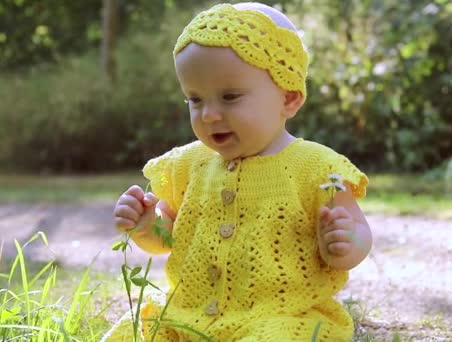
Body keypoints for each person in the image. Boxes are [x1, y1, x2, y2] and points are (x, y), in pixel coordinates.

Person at [105, 2, 372, 341]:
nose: (209, 114)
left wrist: (346, 243)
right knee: (137, 329)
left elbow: (361, 233)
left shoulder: (316, 167)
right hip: (190, 315)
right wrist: (146, 226)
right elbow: (169, 238)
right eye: (195, 99)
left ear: (288, 97)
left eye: (229, 97)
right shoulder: (186, 165)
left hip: (279, 317)